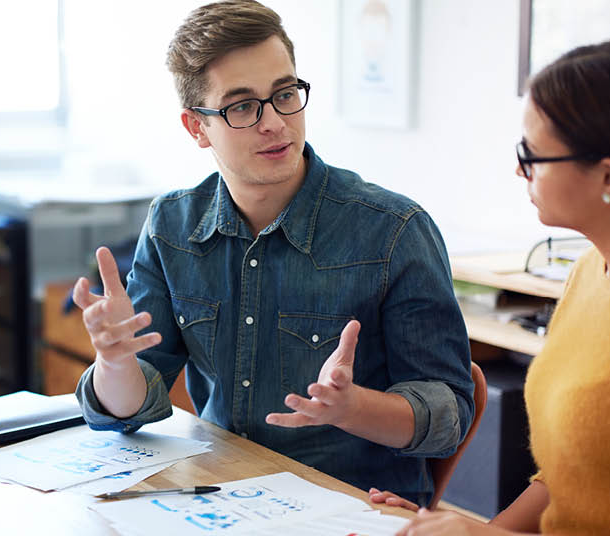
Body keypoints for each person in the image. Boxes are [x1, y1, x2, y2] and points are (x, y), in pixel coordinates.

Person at [71, 0, 474, 503]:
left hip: (349, 508)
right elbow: (131, 411)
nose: (275, 123)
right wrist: (114, 363)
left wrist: (352, 408)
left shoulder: (394, 231)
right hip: (218, 501)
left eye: (285, 94)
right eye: (242, 106)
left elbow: (450, 415)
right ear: (197, 127)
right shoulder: (172, 225)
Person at [376, 39, 610, 535]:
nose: (519, 169)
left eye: (530, 154)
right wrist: (467, 529)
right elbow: (569, 479)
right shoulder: (591, 272)